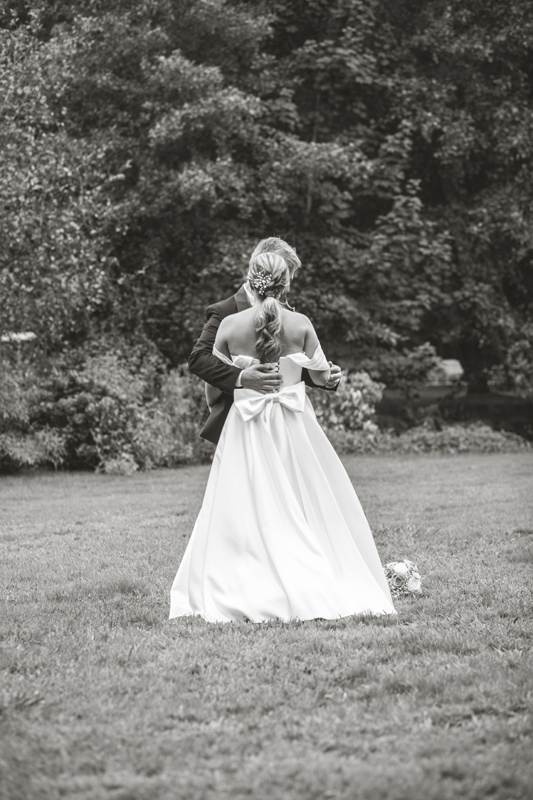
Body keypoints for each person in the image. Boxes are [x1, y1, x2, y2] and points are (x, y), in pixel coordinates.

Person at [169, 248, 396, 622]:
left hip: (246, 425)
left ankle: (243, 580)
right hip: (291, 425)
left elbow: (213, 381)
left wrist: (237, 389)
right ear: (286, 283)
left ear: (251, 277)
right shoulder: (301, 323)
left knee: (243, 502)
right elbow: (321, 374)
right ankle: (312, 574)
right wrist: (326, 376)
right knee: (302, 498)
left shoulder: (230, 326)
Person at [188, 237, 342, 444]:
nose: (288, 285)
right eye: (286, 275)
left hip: (285, 418)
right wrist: (241, 377)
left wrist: (327, 378)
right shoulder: (225, 311)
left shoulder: (287, 316)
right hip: (242, 417)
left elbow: (289, 365)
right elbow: (199, 358)